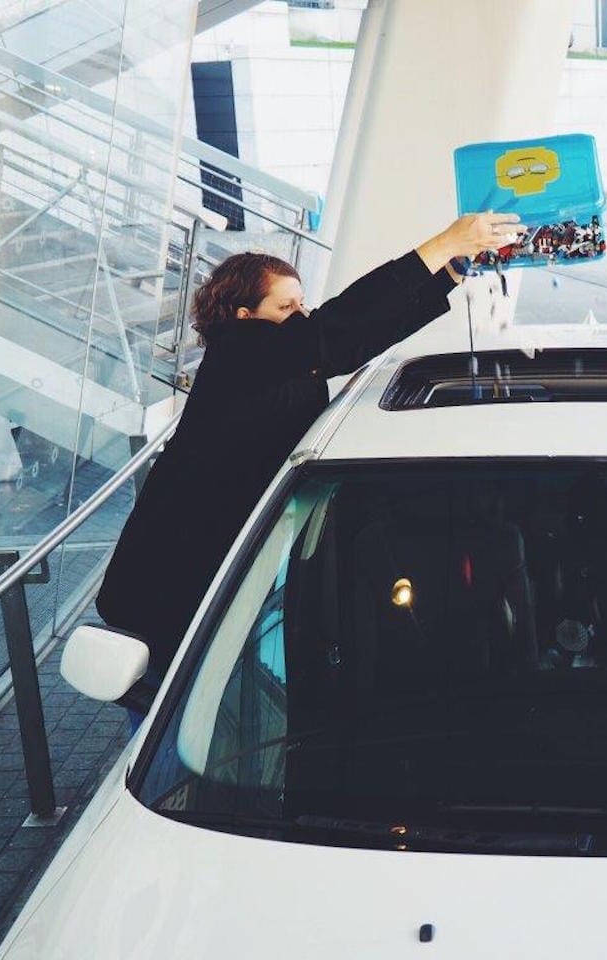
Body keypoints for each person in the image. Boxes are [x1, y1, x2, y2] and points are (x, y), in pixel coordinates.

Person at [96, 213, 522, 719]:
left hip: (218, 568)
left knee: (210, 691)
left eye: (303, 303)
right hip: (171, 582)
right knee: (170, 711)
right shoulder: (236, 355)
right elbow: (334, 334)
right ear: (241, 315)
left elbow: (357, 337)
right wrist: (442, 243)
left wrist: (448, 272)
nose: (300, 315)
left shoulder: (277, 358)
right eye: (285, 306)